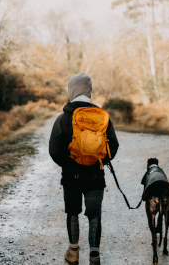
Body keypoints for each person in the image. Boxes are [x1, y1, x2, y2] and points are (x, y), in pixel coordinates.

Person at [49, 73, 119, 265]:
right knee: (94, 215)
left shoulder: (64, 118)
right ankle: (94, 256)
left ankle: (73, 253)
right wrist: (97, 161)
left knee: (73, 212)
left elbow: (54, 150)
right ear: (89, 91)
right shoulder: (102, 117)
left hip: (72, 177)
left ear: (72, 90)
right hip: (95, 176)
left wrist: (70, 164)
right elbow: (113, 148)